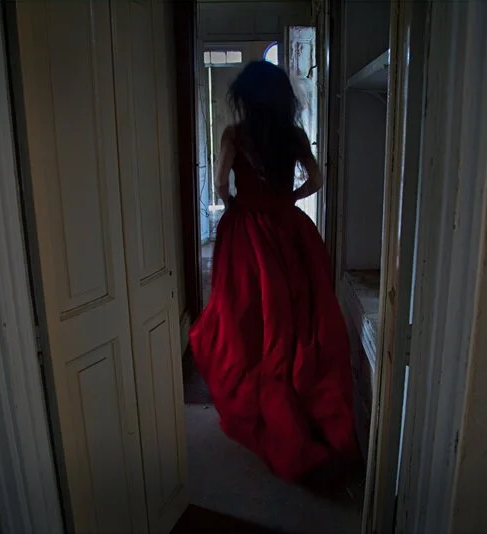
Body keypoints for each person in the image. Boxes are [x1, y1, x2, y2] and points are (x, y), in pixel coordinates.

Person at [189, 61, 357, 483]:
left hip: (247, 231)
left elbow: (222, 185)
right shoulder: (294, 136)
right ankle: (310, 400)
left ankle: (269, 396)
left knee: (245, 315)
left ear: (245, 97)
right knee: (301, 316)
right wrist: (288, 198)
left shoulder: (234, 135)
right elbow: (316, 180)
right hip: (289, 228)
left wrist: (241, 204)